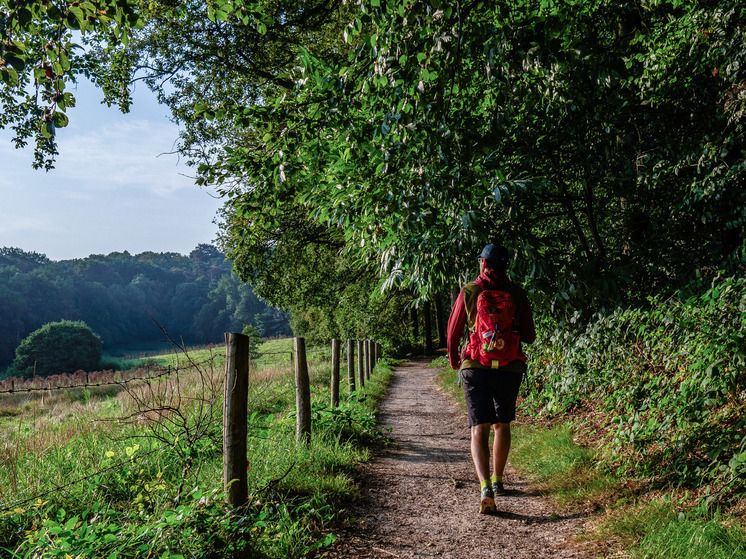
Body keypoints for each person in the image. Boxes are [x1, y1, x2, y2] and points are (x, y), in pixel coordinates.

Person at [446, 243, 536, 514]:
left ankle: (484, 486)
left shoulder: (470, 291)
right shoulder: (517, 293)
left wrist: (455, 362)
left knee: (478, 428)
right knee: (502, 425)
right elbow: (530, 336)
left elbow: (452, 333)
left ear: (483, 264)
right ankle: (498, 481)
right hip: (509, 367)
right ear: (505, 266)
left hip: (476, 366)